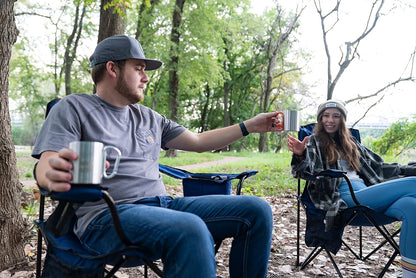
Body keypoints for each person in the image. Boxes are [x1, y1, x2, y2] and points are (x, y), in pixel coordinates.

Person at [32, 35, 281, 278]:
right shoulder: (73, 107)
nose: (146, 77)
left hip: (165, 206)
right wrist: (50, 174)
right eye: (139, 68)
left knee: (256, 210)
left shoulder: (150, 117)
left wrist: (250, 125)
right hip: (107, 217)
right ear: (112, 69)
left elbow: (198, 142)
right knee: (190, 228)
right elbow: (47, 164)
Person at [287, 99, 416, 278]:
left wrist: (409, 168)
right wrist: (300, 155)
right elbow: (302, 173)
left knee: (412, 206)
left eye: (336, 116)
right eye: (325, 116)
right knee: (413, 183)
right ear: (320, 119)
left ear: (342, 120)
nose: (330, 120)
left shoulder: (351, 142)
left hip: (368, 195)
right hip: (344, 200)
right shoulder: (314, 142)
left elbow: (379, 167)